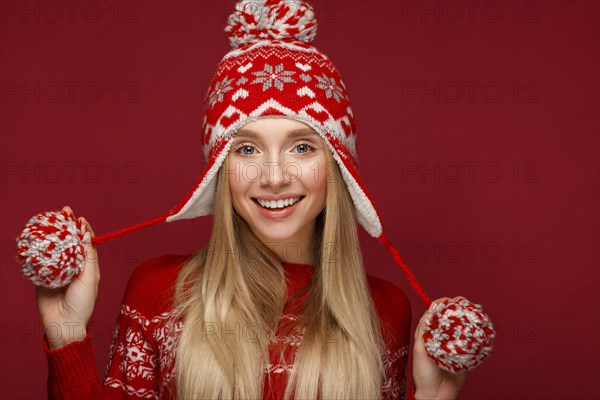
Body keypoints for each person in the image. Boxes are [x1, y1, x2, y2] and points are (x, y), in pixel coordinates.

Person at [36, 1, 469, 399]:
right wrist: (63, 332)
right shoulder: (157, 292)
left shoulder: (387, 312)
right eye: (246, 149)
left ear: (337, 164)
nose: (275, 177)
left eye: (302, 147)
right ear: (219, 169)